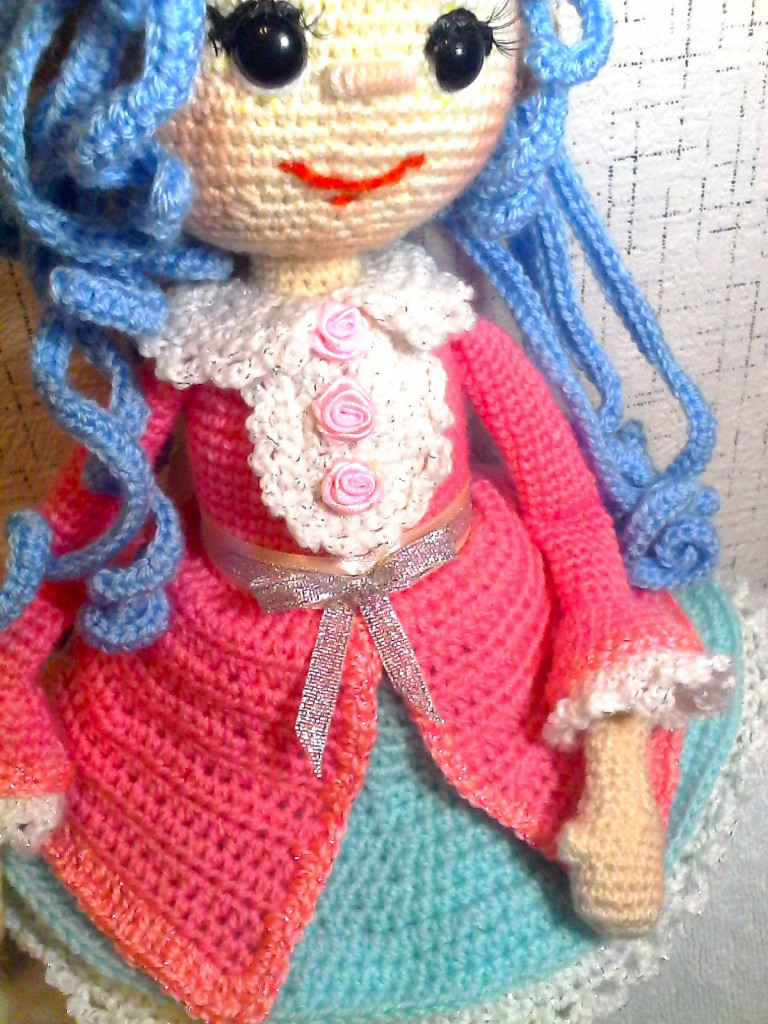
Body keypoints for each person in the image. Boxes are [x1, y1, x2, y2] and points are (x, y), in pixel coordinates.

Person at [0, 1, 734, 1022]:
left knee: (568, 714)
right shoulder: (194, 348)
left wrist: (604, 617)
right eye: (267, 47)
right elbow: (89, 521)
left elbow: (568, 511)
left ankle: (611, 789)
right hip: (233, 675)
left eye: (455, 48)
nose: (375, 93)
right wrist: (12, 679)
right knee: (193, 840)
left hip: (482, 624)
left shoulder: (443, 323)